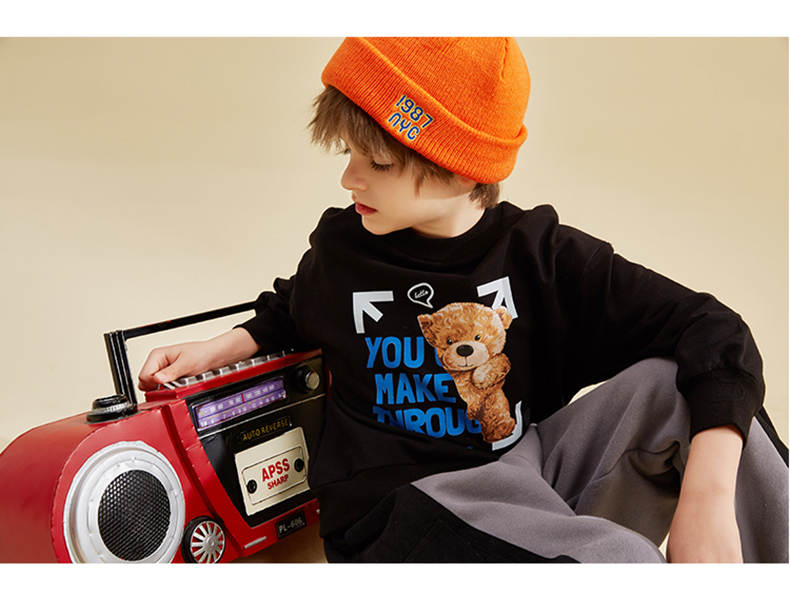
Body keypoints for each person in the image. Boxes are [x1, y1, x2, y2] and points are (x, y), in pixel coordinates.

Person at [138, 37, 788, 563]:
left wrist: (707, 498)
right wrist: (217, 349)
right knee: (624, 565)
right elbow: (291, 308)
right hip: (400, 511)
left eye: (377, 163)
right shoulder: (343, 250)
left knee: (692, 393)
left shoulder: (542, 256)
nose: (348, 178)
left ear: (460, 165)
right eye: (348, 153)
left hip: (522, 476)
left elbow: (715, 332)